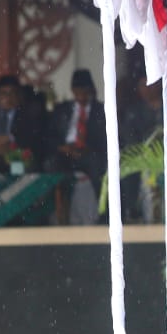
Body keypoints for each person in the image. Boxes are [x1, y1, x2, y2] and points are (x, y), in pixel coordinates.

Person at [46, 68, 108, 224]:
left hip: (90, 153)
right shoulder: (62, 110)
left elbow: (104, 138)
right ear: (73, 91)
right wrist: (63, 148)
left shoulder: (101, 110)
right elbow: (50, 136)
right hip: (65, 154)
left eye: (85, 91)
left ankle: (103, 213)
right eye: (78, 92)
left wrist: (88, 147)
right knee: (52, 166)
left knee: (98, 168)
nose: (81, 96)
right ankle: (55, 212)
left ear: (91, 90)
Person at [0, 75, 44, 175]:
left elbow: (33, 139)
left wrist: (10, 139)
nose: (8, 97)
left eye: (12, 93)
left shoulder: (28, 115)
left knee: (22, 164)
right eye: (3, 93)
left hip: (17, 155)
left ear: (19, 96)